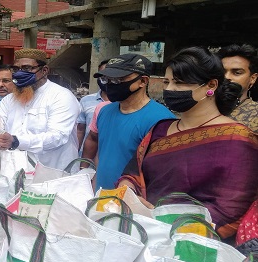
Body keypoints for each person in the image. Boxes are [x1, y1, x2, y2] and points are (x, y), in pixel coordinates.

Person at [117, 46, 258, 241]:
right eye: (167, 82)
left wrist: (162, 222)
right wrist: (128, 194)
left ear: (211, 85)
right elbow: (132, 174)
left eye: (179, 83)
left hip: (195, 249)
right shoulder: (159, 130)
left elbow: (231, 209)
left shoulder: (238, 139)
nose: (169, 90)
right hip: (139, 234)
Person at [81, 53, 174, 189]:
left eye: (119, 80)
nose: (112, 85)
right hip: (101, 200)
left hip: (134, 203)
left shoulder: (161, 120)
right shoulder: (104, 111)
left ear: (143, 81)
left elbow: (163, 173)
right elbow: (103, 155)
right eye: (108, 80)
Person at [0, 48, 80, 171]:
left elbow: (57, 136)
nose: (20, 73)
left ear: (44, 70)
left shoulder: (61, 96)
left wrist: (16, 141)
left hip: (53, 173)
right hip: (15, 172)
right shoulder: (9, 100)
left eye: (27, 68)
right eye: (16, 69)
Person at [218, 44, 258, 133]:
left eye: (237, 73)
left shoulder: (255, 113)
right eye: (222, 72)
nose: (227, 77)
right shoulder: (202, 109)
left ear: (252, 78)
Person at [77, 59, 109, 152]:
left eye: (109, 76)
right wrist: (76, 153)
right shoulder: (86, 101)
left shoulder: (123, 104)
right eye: (102, 76)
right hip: (87, 155)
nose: (106, 80)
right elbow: (80, 130)